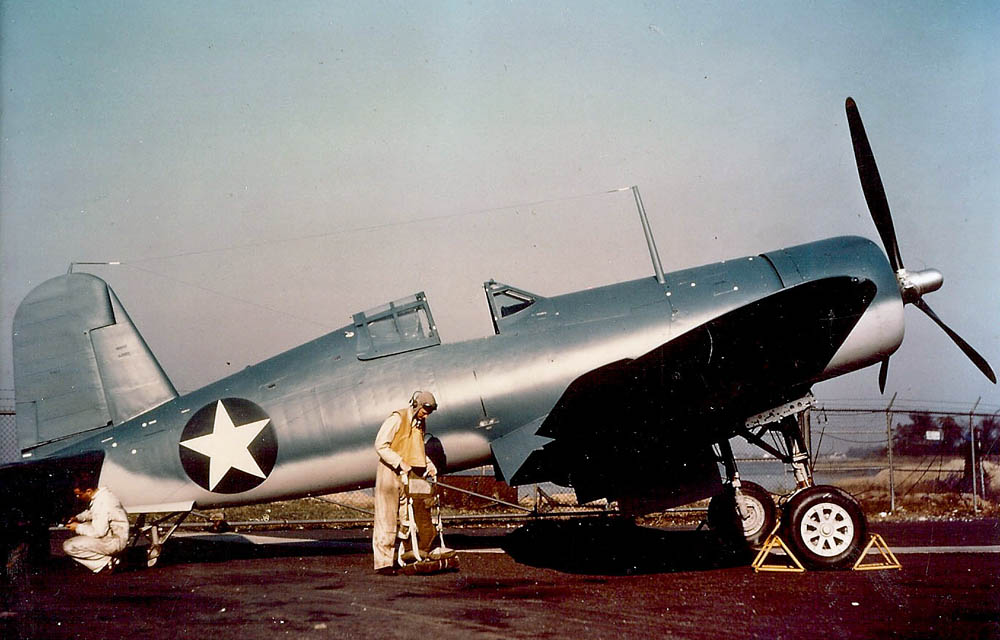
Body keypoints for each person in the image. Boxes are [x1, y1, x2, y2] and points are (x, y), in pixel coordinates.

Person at [372, 390, 438, 575]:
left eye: (429, 412)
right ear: (416, 405)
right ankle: (383, 563)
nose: (426, 415)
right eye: (425, 411)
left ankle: (406, 556)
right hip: (390, 471)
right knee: (387, 517)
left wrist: (429, 464)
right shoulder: (397, 418)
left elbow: (417, 448)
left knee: (406, 519)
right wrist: (399, 462)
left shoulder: (420, 423)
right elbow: (380, 445)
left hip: (407, 475)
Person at [63, 476, 129, 573]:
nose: (78, 497)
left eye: (79, 495)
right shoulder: (101, 497)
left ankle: (106, 563)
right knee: (82, 532)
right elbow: (92, 513)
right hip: (113, 536)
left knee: (69, 546)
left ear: (89, 491)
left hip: (114, 541)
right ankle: (105, 559)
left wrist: (77, 527)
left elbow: (98, 532)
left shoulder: (102, 502)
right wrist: (78, 518)